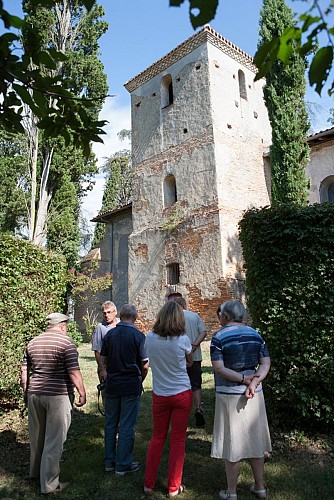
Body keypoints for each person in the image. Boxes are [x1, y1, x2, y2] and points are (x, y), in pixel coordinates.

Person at [210, 300, 271, 500]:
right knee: (256, 441)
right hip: (255, 394)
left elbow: (219, 368)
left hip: (229, 395)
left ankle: (231, 491)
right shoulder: (256, 334)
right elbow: (265, 363)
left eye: (220, 315)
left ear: (225, 317)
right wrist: (253, 383)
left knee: (232, 443)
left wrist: (244, 380)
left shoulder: (218, 337)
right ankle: (260, 487)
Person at [20, 313, 86, 495]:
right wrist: (82, 392)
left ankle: (35, 474)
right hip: (57, 395)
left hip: (35, 394)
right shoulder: (66, 343)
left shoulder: (32, 342)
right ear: (63, 325)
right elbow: (73, 372)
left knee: (37, 436)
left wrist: (26, 392)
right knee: (54, 441)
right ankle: (49, 485)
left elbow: (24, 371)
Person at [144, 301, 193, 498]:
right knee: (178, 440)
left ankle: (148, 484)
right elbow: (190, 361)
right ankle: (174, 486)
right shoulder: (183, 339)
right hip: (181, 393)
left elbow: (149, 359)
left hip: (160, 394)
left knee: (157, 437)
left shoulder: (150, 338)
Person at [98, 304, 149, 476]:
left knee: (111, 424)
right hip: (130, 384)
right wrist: (140, 378)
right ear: (135, 317)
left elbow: (103, 359)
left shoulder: (110, 334)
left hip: (112, 384)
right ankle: (123, 464)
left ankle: (108, 462)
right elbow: (145, 364)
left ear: (120, 316)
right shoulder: (138, 336)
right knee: (126, 425)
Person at [172, 296, 206, 426]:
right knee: (196, 384)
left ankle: (181, 411)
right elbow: (203, 332)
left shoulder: (174, 318)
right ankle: (198, 408)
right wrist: (194, 345)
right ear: (184, 305)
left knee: (180, 385)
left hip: (178, 357)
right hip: (195, 356)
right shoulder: (194, 316)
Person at [91, 300, 118, 378]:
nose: (106, 315)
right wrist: (102, 369)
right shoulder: (100, 328)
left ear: (115, 312)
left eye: (109, 312)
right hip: (107, 367)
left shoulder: (121, 323)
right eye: (104, 313)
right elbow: (97, 351)